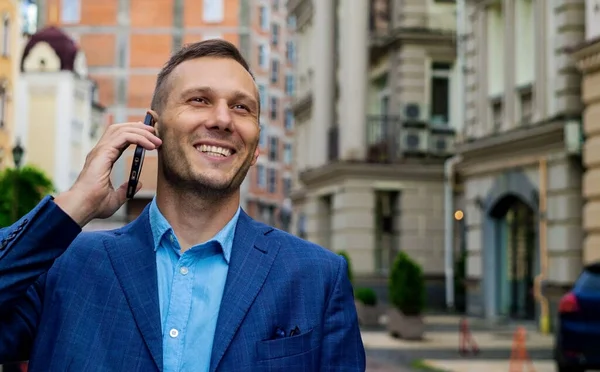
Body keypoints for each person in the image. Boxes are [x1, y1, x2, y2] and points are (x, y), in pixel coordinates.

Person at [0, 39, 365, 371]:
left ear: (255, 149)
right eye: (199, 100)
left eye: (241, 107)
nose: (222, 120)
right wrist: (74, 204)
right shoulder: (63, 266)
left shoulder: (318, 278)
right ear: (151, 129)